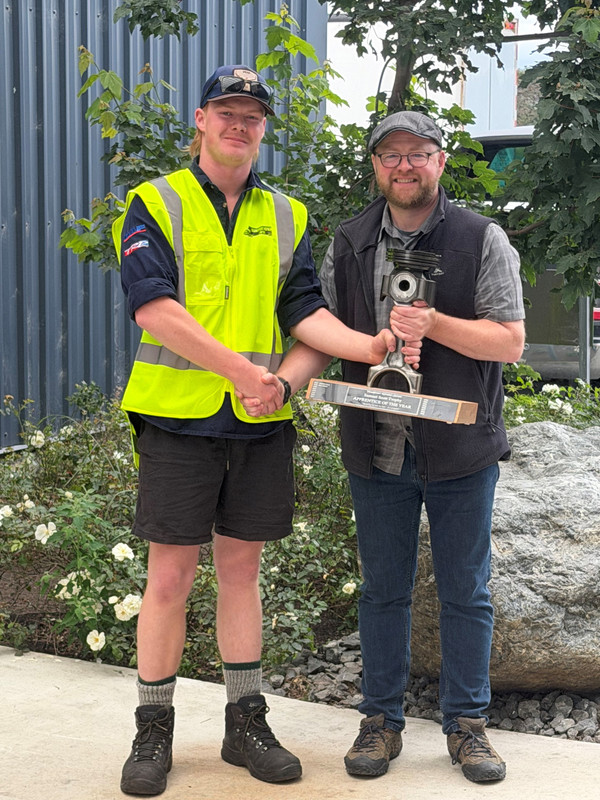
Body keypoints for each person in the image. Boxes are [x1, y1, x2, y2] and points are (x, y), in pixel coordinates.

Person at [112, 65, 419, 797]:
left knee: (242, 573)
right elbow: (154, 308)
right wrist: (245, 373)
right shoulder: (154, 201)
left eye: (252, 116)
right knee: (170, 578)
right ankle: (153, 728)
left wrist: (368, 346)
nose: (239, 124)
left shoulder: (288, 214)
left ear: (262, 129)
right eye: (227, 111)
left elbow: (304, 313)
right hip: (177, 420)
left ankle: (244, 722)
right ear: (201, 119)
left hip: (259, 424)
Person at [243, 109, 525, 784]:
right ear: (375, 165)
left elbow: (510, 342)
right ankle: (380, 721)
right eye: (391, 154)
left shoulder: (481, 238)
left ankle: (467, 726)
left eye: (418, 153)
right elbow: (319, 329)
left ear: (441, 161)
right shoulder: (349, 241)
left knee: (466, 591)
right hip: (376, 447)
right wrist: (284, 383)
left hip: (460, 447)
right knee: (382, 592)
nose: (404, 165)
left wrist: (433, 324)